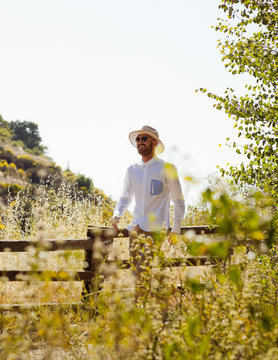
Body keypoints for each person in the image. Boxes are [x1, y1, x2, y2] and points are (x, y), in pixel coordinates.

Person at [111, 126, 185, 276]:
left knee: (142, 274)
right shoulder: (132, 170)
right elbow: (126, 196)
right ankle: (145, 300)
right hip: (135, 229)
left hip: (155, 229)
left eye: (144, 138)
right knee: (136, 274)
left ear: (155, 143)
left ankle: (142, 300)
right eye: (138, 139)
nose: (140, 142)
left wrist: (176, 229)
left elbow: (178, 200)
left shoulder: (167, 168)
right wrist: (117, 213)